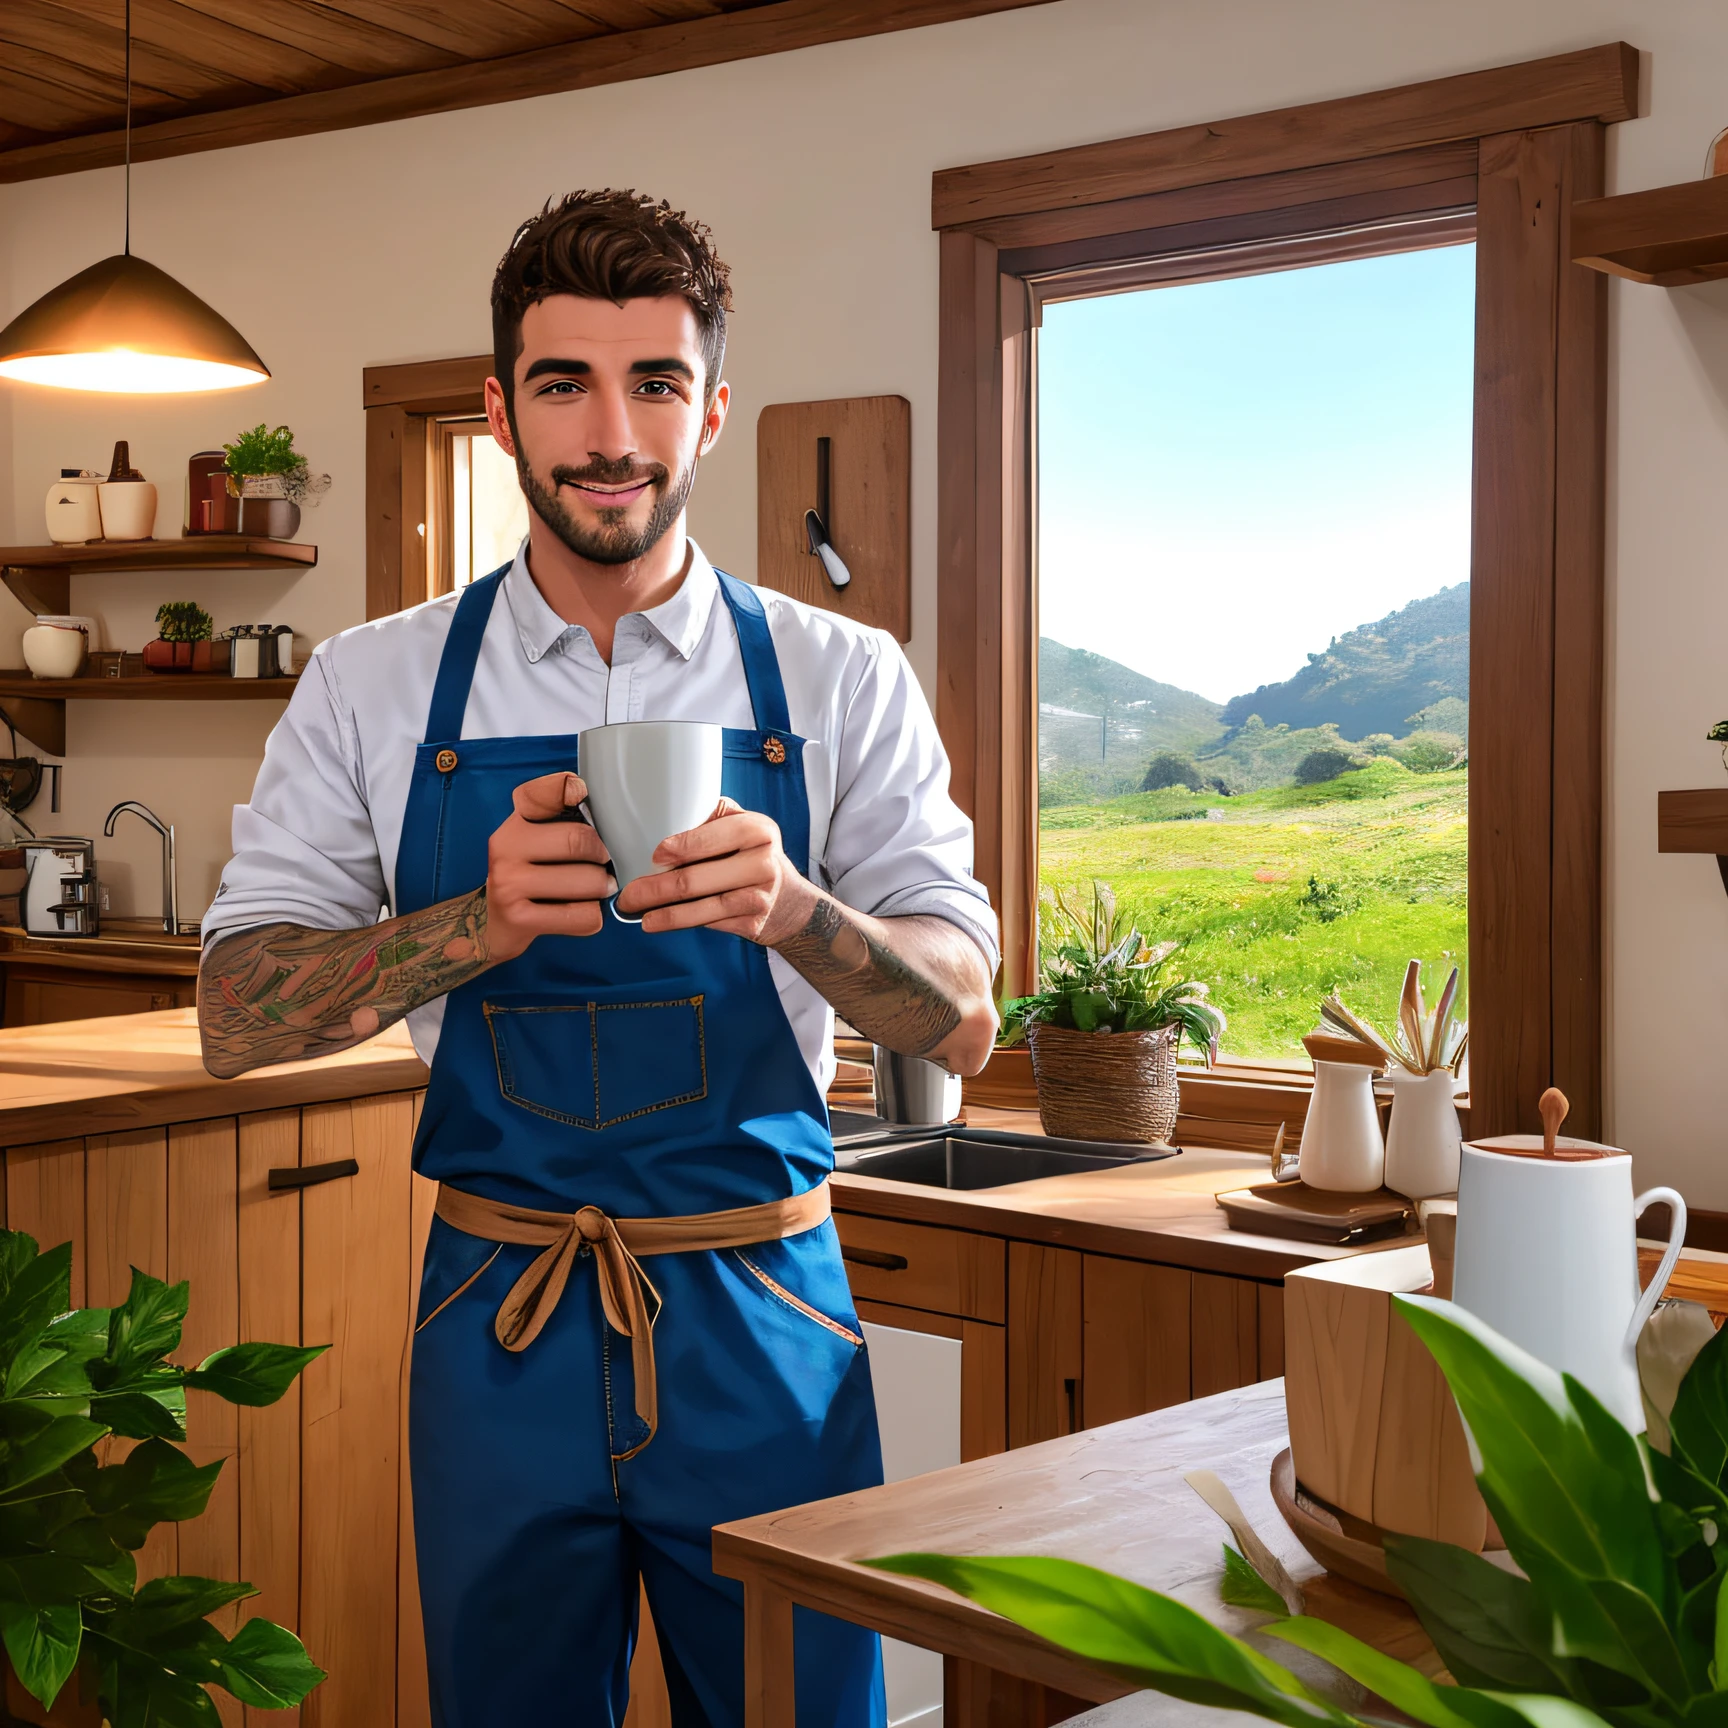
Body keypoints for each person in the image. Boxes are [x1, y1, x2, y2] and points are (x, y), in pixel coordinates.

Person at [198, 189, 999, 1728]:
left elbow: (966, 1018)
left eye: (654, 383)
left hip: (766, 1314)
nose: (611, 433)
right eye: (564, 383)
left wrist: (799, 913)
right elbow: (235, 1017)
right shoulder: (375, 684)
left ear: (712, 409)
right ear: (501, 409)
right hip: (494, 1319)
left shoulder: (841, 676)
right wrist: (467, 929)